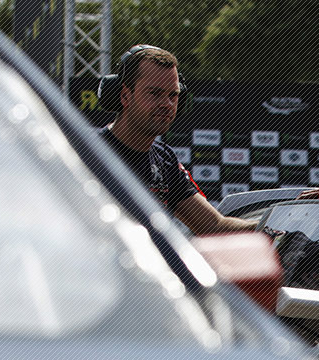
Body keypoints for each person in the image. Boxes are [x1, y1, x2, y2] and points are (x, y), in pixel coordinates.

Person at [100, 45, 255, 235]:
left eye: (173, 95)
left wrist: (276, 223)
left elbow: (213, 226)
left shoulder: (165, 160)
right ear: (125, 95)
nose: (167, 104)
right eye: (154, 93)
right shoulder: (83, 152)